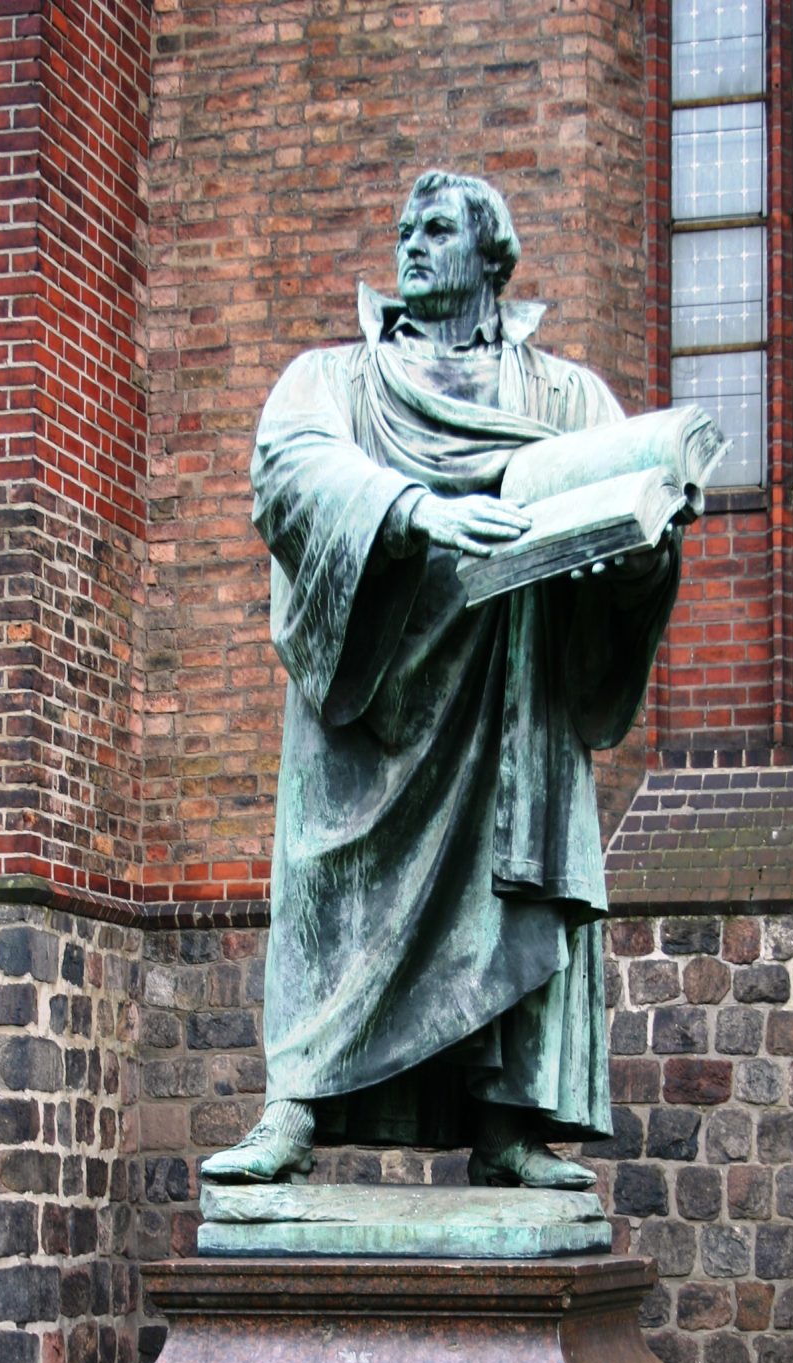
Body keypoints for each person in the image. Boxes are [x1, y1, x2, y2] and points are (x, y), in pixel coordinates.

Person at [202, 170, 684, 1189]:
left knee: (509, 895)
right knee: (333, 896)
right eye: (402, 231)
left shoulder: (565, 396)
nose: (410, 246)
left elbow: (620, 535)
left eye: (435, 230)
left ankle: (507, 1125)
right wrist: (416, 512)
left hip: (511, 692)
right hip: (374, 703)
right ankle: (295, 1101)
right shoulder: (332, 379)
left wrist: (641, 551)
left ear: (490, 257)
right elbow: (287, 470)